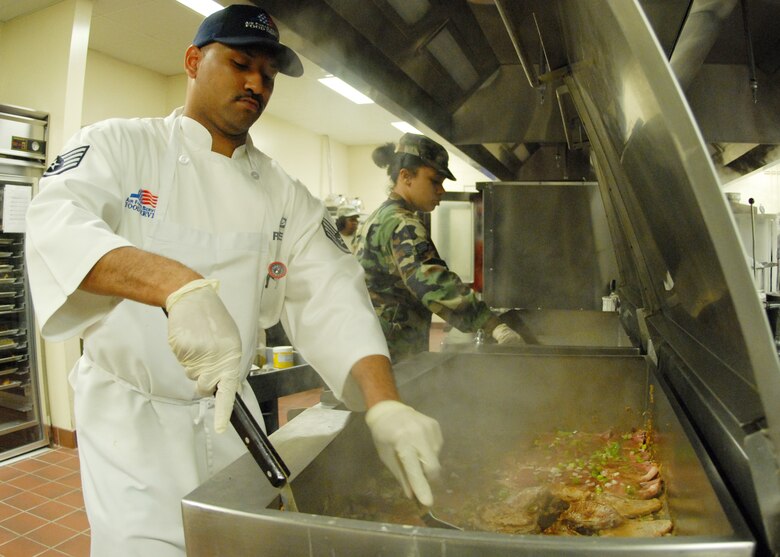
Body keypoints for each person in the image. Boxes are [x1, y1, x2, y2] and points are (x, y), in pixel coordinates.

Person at [25, 5, 441, 556]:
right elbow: (56, 222)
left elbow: (335, 296)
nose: (255, 84)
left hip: (232, 421)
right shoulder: (120, 146)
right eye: (240, 63)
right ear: (194, 61)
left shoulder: (283, 193)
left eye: (267, 76)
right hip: (132, 426)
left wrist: (384, 402)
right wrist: (175, 284)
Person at [355, 134, 524, 363]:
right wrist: (492, 324)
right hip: (393, 356)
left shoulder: (378, 217)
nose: (441, 190)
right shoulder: (402, 223)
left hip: (370, 347)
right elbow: (433, 283)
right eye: (434, 181)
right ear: (406, 177)